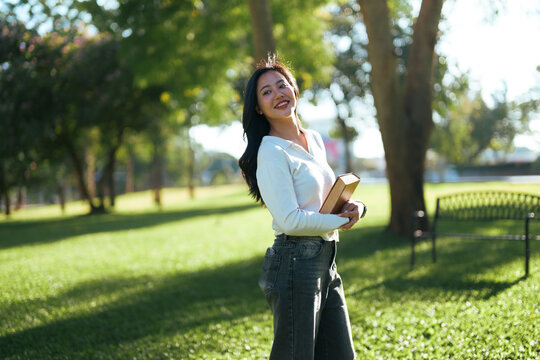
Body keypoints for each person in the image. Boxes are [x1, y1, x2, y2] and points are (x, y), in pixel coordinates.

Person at [238, 56, 365, 360]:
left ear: (293, 88)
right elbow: (290, 220)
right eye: (266, 92)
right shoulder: (270, 151)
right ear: (258, 108)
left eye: (282, 84)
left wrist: (356, 207)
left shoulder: (315, 139)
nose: (277, 93)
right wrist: (337, 220)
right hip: (294, 264)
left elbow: (326, 196)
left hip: (326, 260)